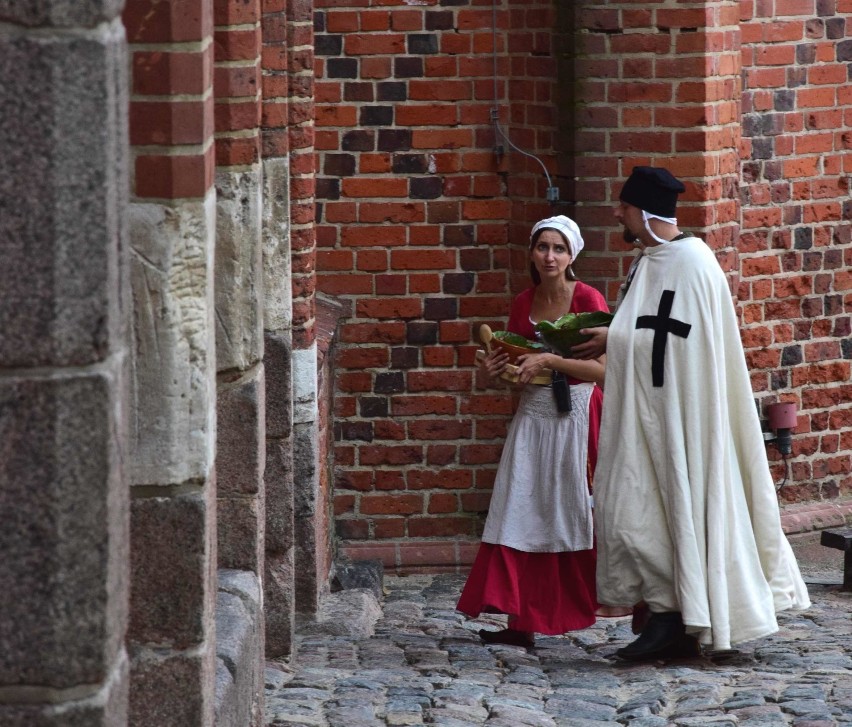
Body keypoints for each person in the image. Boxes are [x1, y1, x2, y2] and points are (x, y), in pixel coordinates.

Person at [573, 166, 810, 660]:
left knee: (670, 509)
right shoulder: (650, 259)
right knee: (633, 514)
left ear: (644, 212)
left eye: (624, 207)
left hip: (686, 422)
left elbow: (689, 346)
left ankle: (679, 621)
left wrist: (618, 338)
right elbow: (645, 330)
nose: (617, 213)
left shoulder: (694, 263)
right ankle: (666, 614)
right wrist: (613, 335)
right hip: (648, 417)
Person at [457, 214, 619, 648]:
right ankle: (519, 621)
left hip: (579, 412)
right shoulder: (523, 301)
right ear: (532, 252)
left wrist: (549, 361)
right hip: (533, 413)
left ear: (572, 256)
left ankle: (570, 608)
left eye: (559, 248)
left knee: (569, 510)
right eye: (542, 247)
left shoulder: (586, 298)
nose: (549, 256)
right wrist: (497, 368)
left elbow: (601, 370)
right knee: (520, 505)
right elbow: (517, 368)